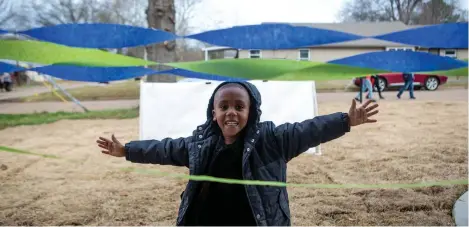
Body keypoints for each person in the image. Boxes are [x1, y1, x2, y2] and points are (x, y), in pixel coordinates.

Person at [96, 81, 379, 226]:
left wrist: (345, 121)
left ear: (250, 111)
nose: (231, 112)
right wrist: (127, 150)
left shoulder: (273, 140)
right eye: (224, 107)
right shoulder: (199, 143)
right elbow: (164, 149)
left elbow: (308, 129)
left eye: (239, 107)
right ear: (214, 112)